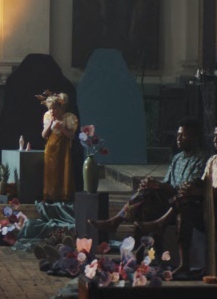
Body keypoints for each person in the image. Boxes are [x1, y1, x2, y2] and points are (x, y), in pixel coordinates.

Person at [93, 118, 207, 267]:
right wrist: (153, 184)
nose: (178, 139)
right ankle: (139, 255)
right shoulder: (177, 158)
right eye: (178, 135)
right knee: (144, 200)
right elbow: (167, 182)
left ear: (194, 137)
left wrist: (159, 186)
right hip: (167, 200)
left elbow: (185, 190)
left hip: (182, 203)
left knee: (148, 195)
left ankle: (116, 221)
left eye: (183, 136)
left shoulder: (201, 159)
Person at [40, 91, 78, 202]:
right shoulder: (47, 117)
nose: (52, 111)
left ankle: (63, 196)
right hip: (50, 150)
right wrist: (49, 124)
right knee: (50, 172)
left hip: (63, 150)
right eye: (50, 109)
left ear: (61, 108)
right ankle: (49, 195)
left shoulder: (68, 118)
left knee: (63, 172)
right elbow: (43, 135)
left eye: (55, 108)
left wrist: (62, 129)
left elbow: (72, 136)